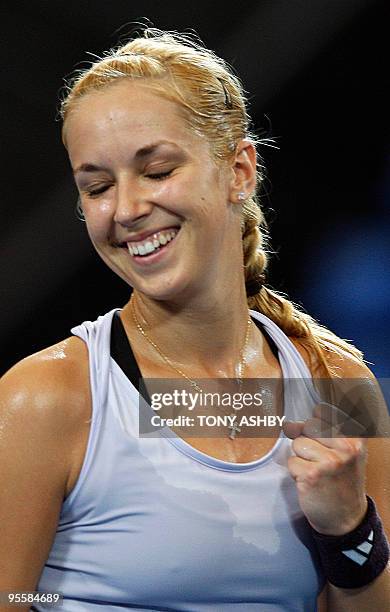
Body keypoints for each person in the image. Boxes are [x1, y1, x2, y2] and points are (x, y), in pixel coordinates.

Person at [1, 28, 389, 612]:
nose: (127, 210)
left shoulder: (338, 386)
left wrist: (349, 531)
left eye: (156, 171)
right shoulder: (44, 398)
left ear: (238, 171)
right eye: (98, 187)